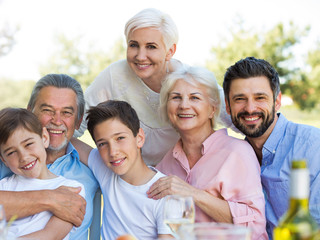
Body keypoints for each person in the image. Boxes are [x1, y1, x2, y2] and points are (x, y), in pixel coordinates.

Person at [77, 8, 233, 166]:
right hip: (134, 179)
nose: (140, 56)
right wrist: (100, 166)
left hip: (184, 176)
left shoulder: (190, 82)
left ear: (170, 51)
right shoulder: (115, 75)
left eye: (151, 46)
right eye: (133, 45)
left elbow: (237, 116)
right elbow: (75, 124)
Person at [0, 74, 98, 240]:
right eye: (47, 110)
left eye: (67, 113)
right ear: (30, 111)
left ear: (78, 121)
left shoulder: (91, 169)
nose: (57, 120)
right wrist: (50, 199)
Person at [147, 65, 267, 240]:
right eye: (176, 98)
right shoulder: (167, 163)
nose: (184, 105)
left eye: (194, 97)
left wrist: (192, 193)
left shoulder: (237, 153)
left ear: (212, 109)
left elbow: (254, 227)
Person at [222, 57, 320, 239]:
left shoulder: (313, 147)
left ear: (277, 101)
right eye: (240, 99)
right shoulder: (233, 157)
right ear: (228, 106)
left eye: (260, 98)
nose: (250, 108)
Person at [0, 107, 86, 240]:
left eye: (28, 144)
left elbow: (51, 235)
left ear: (44, 138)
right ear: (3, 159)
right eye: (11, 152)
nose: (23, 157)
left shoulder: (71, 190)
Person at [81, 100, 173, 239]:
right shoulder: (105, 168)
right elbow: (66, 139)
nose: (113, 152)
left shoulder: (165, 194)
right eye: (103, 144)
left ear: (139, 138)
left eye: (120, 138)